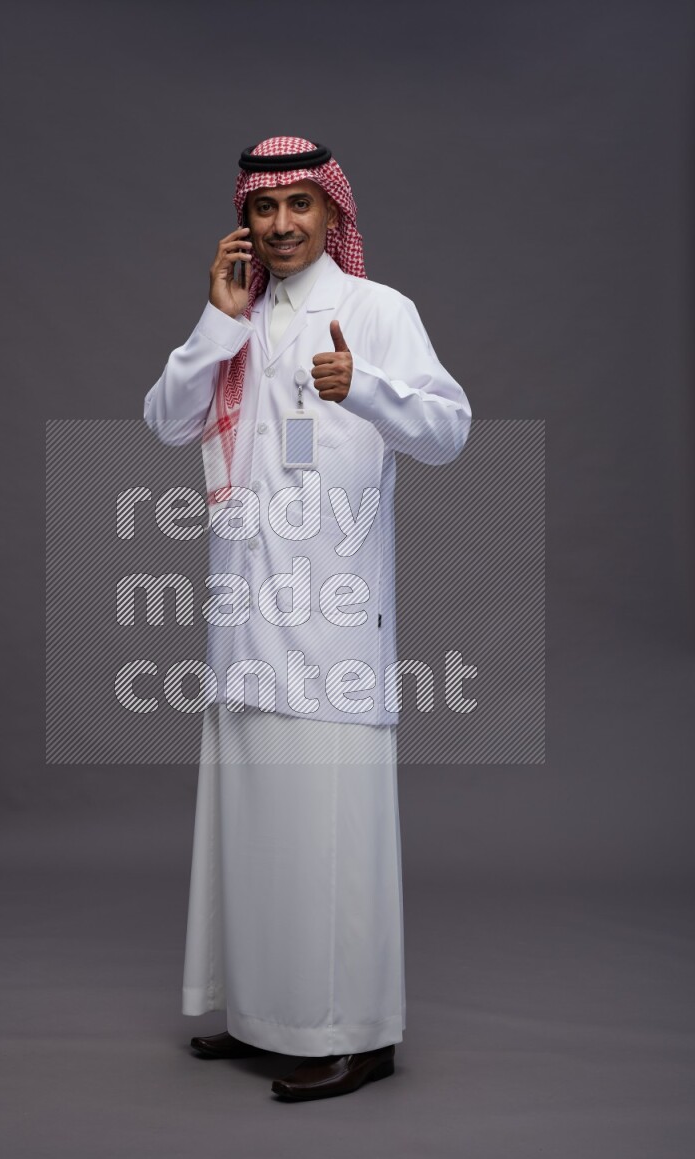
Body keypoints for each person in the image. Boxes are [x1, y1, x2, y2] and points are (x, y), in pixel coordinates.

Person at [143, 135, 471, 1101]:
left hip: (332, 624)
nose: (281, 225)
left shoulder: (376, 311)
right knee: (255, 826)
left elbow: (449, 428)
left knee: (333, 831)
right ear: (243, 219)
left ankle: (357, 1033)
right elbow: (166, 420)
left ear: (334, 215)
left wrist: (361, 388)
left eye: (300, 206)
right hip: (246, 615)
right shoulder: (237, 316)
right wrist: (215, 322)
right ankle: (263, 1016)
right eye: (263, 208)